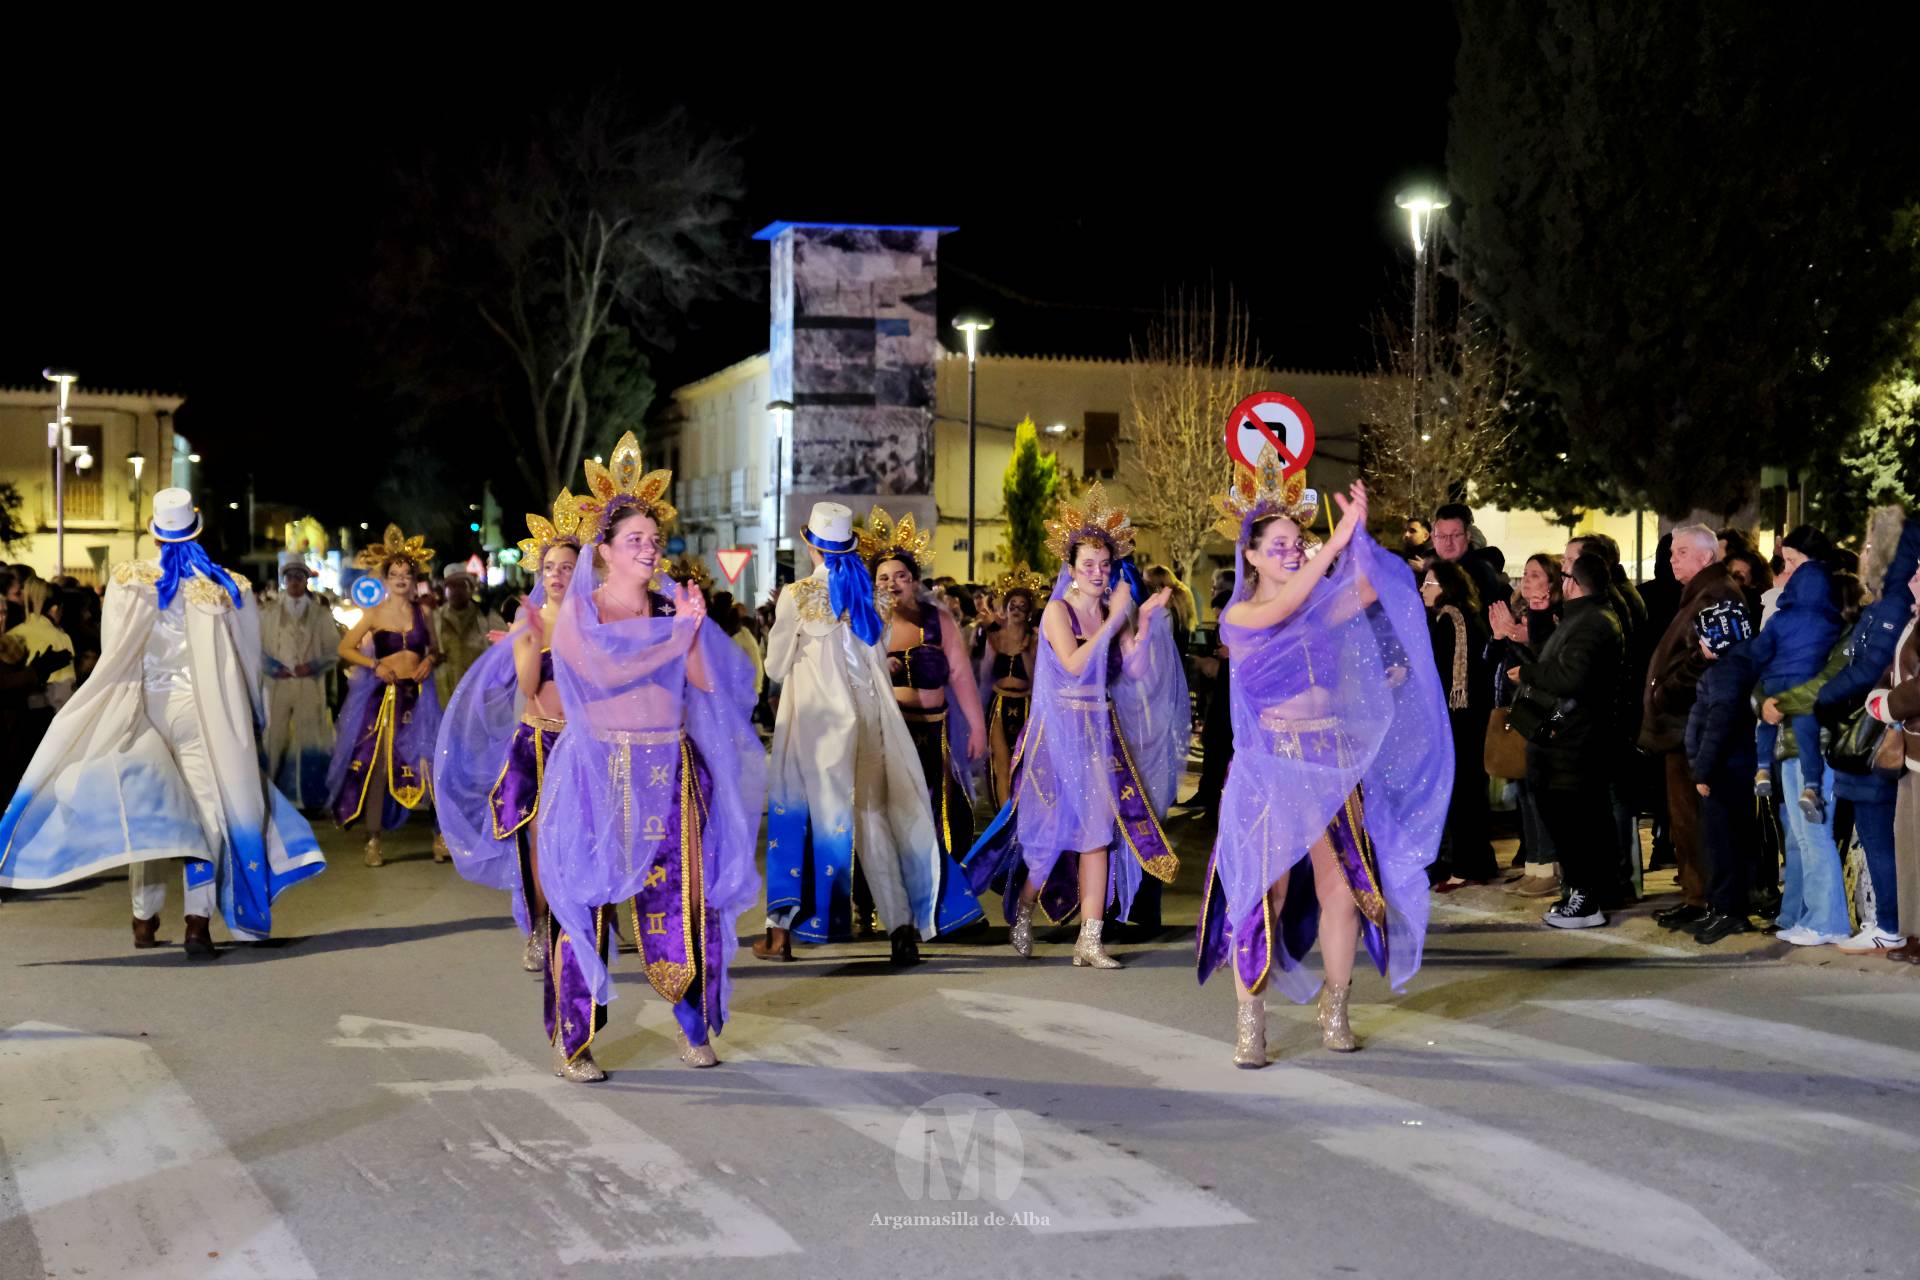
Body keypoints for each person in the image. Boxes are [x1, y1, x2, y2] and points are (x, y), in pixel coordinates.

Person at [1196, 454, 1449, 1064]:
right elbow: (1282, 610)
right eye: (1277, 543)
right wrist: (1332, 544)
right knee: (1267, 893)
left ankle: (1336, 1007)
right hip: (1274, 765)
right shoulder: (1240, 617)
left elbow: (1370, 588)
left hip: (1332, 759)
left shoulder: (1321, 606)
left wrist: (1359, 535)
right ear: (1250, 555)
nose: (1289, 550)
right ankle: (1251, 1020)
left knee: (1344, 892)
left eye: (1295, 541)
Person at [0, 488, 326, 956]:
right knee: (209, 810)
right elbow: (249, 661)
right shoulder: (227, 586)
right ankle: (197, 920)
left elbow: (116, 650)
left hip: (146, 704)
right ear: (196, 526)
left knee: (147, 806)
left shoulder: (128, 579)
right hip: (202, 711)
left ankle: (143, 918)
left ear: (154, 531)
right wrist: (251, 714)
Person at [535, 436, 763, 1078]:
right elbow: (604, 671)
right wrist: (680, 635)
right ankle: (573, 1042)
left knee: (684, 901)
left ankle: (692, 1029)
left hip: (669, 769)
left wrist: (698, 629)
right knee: (590, 899)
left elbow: (711, 685)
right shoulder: (582, 611)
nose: (647, 546)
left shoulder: (672, 608)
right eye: (633, 538)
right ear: (603, 552)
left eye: (652, 537)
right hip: (600, 769)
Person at [960, 484, 1187, 969]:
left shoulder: (1111, 611)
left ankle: (1090, 938)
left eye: (1105, 565)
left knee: (1099, 832)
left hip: (1099, 731)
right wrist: (1115, 621)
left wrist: (1142, 623)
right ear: (1071, 569)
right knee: (1050, 835)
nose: (1099, 573)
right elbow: (1075, 660)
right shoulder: (1058, 613)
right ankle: (1023, 908)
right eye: (1089, 565)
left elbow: (1136, 669)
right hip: (1057, 732)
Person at [757, 502, 967, 967]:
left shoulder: (796, 596)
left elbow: (773, 666)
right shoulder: (870, 597)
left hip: (816, 729)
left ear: (810, 544)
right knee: (873, 823)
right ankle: (900, 928)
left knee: (801, 821)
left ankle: (784, 932)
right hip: (868, 724)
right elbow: (876, 664)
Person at [437, 492, 584, 973]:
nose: (558, 575)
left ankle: (582, 924)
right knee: (538, 841)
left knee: (584, 838)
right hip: (539, 743)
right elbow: (526, 684)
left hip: (584, 744)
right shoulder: (530, 620)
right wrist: (536, 640)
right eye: (550, 568)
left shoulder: (599, 619)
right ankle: (540, 927)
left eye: (567, 566)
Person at [865, 507, 989, 920]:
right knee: (889, 812)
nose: (892, 584)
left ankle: (936, 897)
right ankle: (882, 900)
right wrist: (878, 667)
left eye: (900, 576)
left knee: (940, 813)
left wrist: (976, 727)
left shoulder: (938, 621)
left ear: (914, 581)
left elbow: (961, 676)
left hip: (934, 733)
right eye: (883, 578)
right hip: (889, 731)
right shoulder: (868, 624)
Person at [1818, 506, 1920, 954]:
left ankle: (1892, 923)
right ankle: (1889, 922)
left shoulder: (1895, 604)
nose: (1865, 552)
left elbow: (1873, 667)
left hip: (1879, 739)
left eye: (1872, 545)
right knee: (1880, 835)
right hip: (1872, 733)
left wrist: (1822, 698)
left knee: (1884, 837)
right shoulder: (1885, 603)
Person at [1641, 524, 1749, 932]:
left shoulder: (1716, 593)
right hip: (1681, 725)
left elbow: (1710, 657)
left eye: (1681, 551)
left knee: (1701, 820)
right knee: (1684, 819)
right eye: (1671, 552)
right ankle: (1695, 896)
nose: (1673, 559)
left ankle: (1709, 898)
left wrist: (1666, 689)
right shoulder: (1698, 593)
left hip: (1695, 723)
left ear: (1706, 557)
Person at [1512, 553, 1626, 927]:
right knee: (1573, 821)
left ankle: (1586, 899)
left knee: (1575, 824)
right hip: (1565, 741)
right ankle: (1588, 893)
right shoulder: (1583, 617)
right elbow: (1554, 653)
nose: (1557, 581)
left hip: (1573, 742)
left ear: (1574, 583)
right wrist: (1541, 614)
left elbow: (1570, 677)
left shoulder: (1594, 622)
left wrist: (1527, 674)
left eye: (1563, 574)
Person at [327, 525, 443, 867]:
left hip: (419, 695)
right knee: (378, 767)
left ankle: (441, 836)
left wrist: (430, 660)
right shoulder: (374, 613)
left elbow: (435, 649)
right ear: (386, 578)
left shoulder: (425, 612)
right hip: (384, 698)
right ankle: (374, 840)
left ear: (414, 578)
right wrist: (374, 665)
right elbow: (345, 647)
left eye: (407, 574)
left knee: (430, 762)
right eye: (395, 574)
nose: (401, 579)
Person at [1750, 528, 1845, 820]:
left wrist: (1770, 701)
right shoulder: (1831, 619)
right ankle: (1811, 787)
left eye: (1793, 562)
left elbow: (1758, 655)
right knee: (1798, 839)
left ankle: (1762, 768)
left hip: (1791, 707)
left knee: (1810, 841)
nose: (1786, 570)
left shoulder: (1780, 617)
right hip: (1798, 718)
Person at [1684, 601, 1761, 943]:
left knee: (1723, 843)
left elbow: (1719, 722)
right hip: (1729, 768)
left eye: (1704, 637)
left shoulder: (1728, 671)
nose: (1699, 644)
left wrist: (1702, 770)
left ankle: (1729, 911)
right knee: (1723, 841)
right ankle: (1721, 907)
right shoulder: (1736, 665)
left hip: (1724, 771)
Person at [1420, 558, 1497, 888]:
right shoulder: (1463, 615)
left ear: (1446, 587)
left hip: (1460, 720)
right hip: (1467, 718)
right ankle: (1478, 861)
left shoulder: (1452, 619)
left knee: (1462, 793)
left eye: (1429, 583)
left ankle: (1465, 866)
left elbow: (1438, 670)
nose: (1423, 588)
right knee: (1470, 793)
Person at [1490, 553, 1563, 896]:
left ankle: (1548, 866)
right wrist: (1500, 635)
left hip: (1543, 713)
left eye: (1536, 575)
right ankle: (1533, 864)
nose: (1527, 580)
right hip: (1517, 710)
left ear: (1551, 583)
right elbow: (1492, 660)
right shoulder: (1519, 614)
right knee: (1523, 791)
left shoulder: (1552, 618)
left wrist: (1517, 637)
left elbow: (1543, 663)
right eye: (1526, 574)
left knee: (1538, 791)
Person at [260, 559, 340, 811]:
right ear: (284, 581)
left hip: (308, 682)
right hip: (279, 683)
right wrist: (274, 668)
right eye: (290, 578)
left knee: (310, 737)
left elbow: (334, 650)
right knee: (275, 737)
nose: (294, 582)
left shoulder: (320, 614)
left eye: (299, 577)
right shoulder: (269, 613)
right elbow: (256, 648)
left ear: (306, 581)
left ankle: (311, 798)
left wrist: (314, 666)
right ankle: (270, 796)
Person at [977, 567, 1044, 807]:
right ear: (1005, 608)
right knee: (1001, 761)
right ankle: (1003, 813)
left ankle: (1023, 811)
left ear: (1029, 611)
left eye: (1022, 606)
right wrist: (993, 645)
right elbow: (985, 673)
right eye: (1012, 605)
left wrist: (1025, 650)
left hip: (1025, 702)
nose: (1016, 610)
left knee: (1025, 761)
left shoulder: (1035, 638)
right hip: (999, 702)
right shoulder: (994, 636)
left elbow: (1036, 679)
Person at [433, 565, 505, 705]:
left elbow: (503, 649)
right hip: (447, 694)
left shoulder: (485, 615)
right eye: (451, 586)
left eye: (461, 585)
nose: (456, 591)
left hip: (480, 693)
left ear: (471, 588)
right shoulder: (436, 617)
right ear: (445, 590)